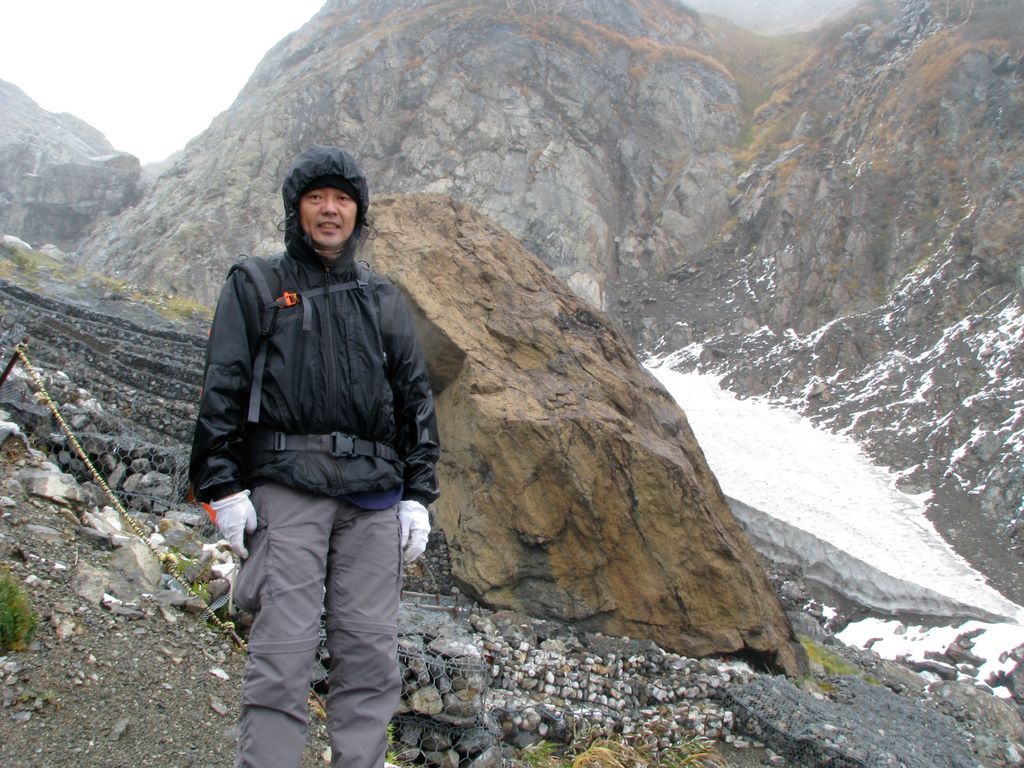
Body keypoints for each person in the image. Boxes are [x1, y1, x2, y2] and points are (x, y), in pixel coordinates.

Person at [189, 145, 441, 768]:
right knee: (283, 652)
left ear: (358, 212)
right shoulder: (257, 284)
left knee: (371, 657)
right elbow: (223, 383)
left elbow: (414, 396)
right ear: (296, 209)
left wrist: (417, 494)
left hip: (373, 496)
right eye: (316, 197)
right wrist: (222, 486)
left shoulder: (382, 297)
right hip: (287, 484)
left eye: (343, 198)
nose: (331, 209)